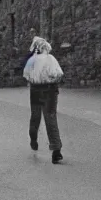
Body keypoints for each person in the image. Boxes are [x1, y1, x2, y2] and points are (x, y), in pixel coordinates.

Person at [23, 36, 64, 164]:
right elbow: (58, 74)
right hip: (50, 91)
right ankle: (56, 150)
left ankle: (33, 138)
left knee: (35, 116)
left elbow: (26, 75)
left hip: (35, 90)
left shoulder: (31, 60)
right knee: (50, 117)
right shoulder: (51, 59)